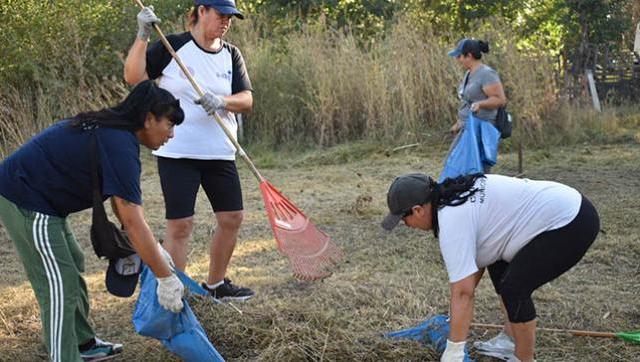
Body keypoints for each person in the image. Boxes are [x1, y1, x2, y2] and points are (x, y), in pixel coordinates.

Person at [0, 80, 186, 362]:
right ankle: (64, 356)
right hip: (25, 197)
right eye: (170, 125)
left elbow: (121, 202)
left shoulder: (119, 134)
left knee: (73, 259)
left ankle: (83, 343)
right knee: (59, 284)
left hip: (45, 202)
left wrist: (155, 252)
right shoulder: (120, 143)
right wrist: (165, 278)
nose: (171, 135)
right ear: (149, 119)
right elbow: (132, 220)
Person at [381, 173, 600, 362]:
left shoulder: (451, 221)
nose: (406, 225)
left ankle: (524, 358)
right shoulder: (452, 196)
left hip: (570, 221)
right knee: (498, 264)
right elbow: (472, 269)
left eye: (403, 219)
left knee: (515, 289)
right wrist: (454, 320)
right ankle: (509, 339)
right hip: (562, 203)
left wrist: (454, 352)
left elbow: (463, 292)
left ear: (418, 210)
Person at [123, 0, 255, 301]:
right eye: (221, 15)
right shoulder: (172, 46)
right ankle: (176, 291)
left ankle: (216, 285)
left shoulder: (231, 54)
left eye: (230, 17)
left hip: (220, 151)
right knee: (180, 225)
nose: (226, 22)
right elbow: (133, 77)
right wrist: (143, 34)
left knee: (232, 218)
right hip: (178, 152)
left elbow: (246, 99)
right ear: (201, 11)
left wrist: (222, 101)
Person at [448, 38, 507, 172]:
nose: (458, 60)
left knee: (478, 171)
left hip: (482, 129)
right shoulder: (469, 73)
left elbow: (500, 100)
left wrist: (480, 104)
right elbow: (467, 101)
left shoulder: (486, 74)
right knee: (456, 165)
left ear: (469, 56)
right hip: (467, 127)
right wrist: (459, 123)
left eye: (459, 56)